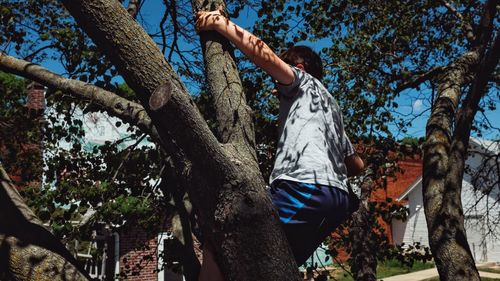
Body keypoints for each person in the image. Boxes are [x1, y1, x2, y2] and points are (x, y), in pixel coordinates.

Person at [195, 9, 364, 280]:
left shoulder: (302, 83)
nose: (276, 88)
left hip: (306, 188)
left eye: (278, 79)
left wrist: (219, 23)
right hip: (337, 200)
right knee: (269, 264)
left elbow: (262, 52)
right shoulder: (329, 107)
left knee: (223, 235)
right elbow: (357, 164)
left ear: (298, 68)